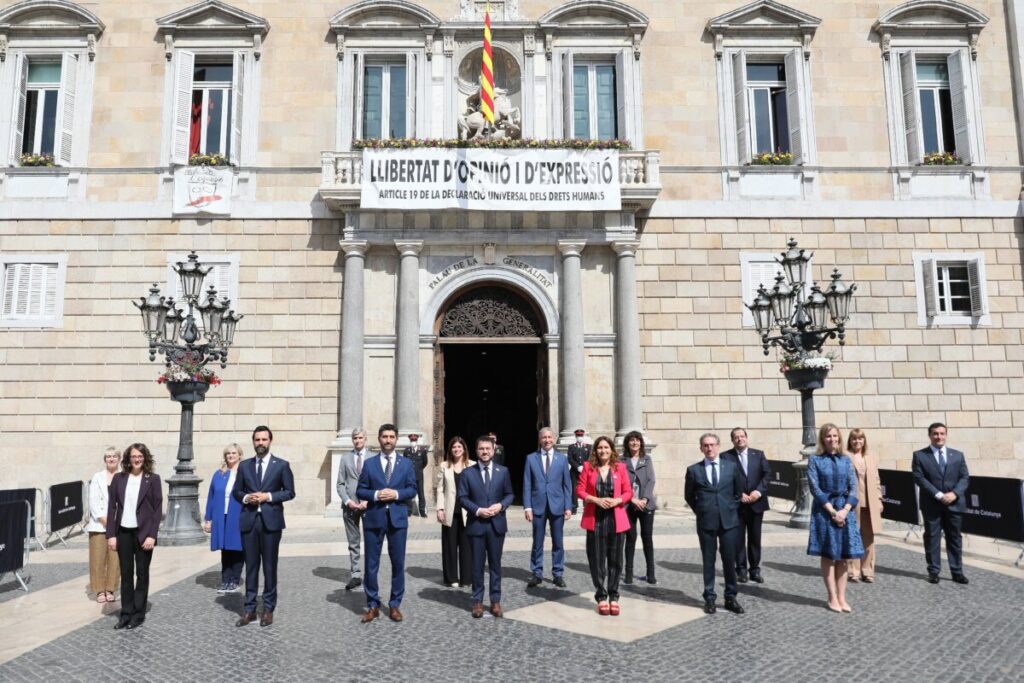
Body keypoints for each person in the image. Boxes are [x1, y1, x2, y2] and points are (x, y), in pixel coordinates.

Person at [234, 425, 296, 628]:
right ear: (253, 442)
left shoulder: (281, 465)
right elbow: (237, 491)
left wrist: (268, 496)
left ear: (270, 441)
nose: (260, 443)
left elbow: (289, 492)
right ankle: (250, 609)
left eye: (264, 440)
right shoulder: (244, 466)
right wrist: (246, 498)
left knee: (270, 567)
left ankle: (268, 609)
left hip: (271, 522)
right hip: (249, 521)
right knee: (251, 567)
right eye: (257, 440)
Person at [358, 423, 417, 623]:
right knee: (371, 565)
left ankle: (394, 605)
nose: (388, 440)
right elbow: (360, 490)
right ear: (379, 439)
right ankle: (373, 604)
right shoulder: (369, 464)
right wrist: (376, 494)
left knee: (398, 564)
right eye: (385, 436)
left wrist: (396, 494)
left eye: (392, 436)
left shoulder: (406, 464)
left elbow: (412, 489)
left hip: (397, 520)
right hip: (374, 519)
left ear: (396, 439)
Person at [807, 423, 865, 613]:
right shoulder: (815, 460)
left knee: (844, 556)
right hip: (824, 511)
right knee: (829, 555)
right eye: (828, 436)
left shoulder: (846, 460)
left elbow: (853, 487)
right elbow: (815, 488)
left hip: (845, 510)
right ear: (822, 439)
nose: (832, 439)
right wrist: (832, 511)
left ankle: (842, 596)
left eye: (835, 436)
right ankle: (831, 596)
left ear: (839, 438)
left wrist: (845, 510)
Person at [105, 443, 162, 630]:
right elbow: (112, 507)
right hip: (123, 532)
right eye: (133, 456)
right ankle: (126, 613)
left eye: (140, 456)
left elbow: (157, 510)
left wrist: (152, 536)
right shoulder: (119, 479)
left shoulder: (152, 479)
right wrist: (111, 535)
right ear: (128, 459)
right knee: (126, 574)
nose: (136, 459)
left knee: (142, 574)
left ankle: (138, 614)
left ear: (145, 458)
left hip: (144, 533)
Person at [685, 433, 743, 615]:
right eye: (705, 445)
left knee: (729, 560)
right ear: (701, 448)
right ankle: (709, 597)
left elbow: (738, 492)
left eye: (712, 445)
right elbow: (689, 496)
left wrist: (729, 509)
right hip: (706, 522)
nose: (709, 448)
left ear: (718, 446)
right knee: (708, 561)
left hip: (729, 522)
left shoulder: (731, 467)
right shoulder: (694, 470)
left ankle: (730, 597)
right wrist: (702, 510)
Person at [458, 436, 514, 618]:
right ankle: (477, 601)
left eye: (487, 449)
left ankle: (495, 600)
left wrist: (501, 506)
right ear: (476, 451)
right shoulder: (468, 473)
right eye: (481, 449)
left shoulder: (503, 471)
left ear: (493, 449)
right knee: (476, 565)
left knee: (496, 565)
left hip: (497, 525)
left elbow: (509, 494)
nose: (484, 452)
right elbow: (463, 498)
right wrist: (478, 510)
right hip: (476, 525)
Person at [578, 436, 632, 615]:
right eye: (600, 448)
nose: (603, 451)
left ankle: (614, 596)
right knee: (597, 560)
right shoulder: (588, 467)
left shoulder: (620, 467)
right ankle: (601, 596)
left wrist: (618, 500)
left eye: (606, 447)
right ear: (595, 450)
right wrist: (596, 500)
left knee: (616, 560)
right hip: (596, 519)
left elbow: (628, 492)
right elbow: (580, 490)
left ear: (612, 450)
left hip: (616, 519)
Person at [911, 422, 970, 585]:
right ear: (929, 435)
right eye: (935, 434)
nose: (939, 437)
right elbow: (919, 478)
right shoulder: (919, 455)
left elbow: (965, 477)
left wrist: (954, 493)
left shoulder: (957, 455)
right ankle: (934, 571)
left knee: (955, 538)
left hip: (954, 503)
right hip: (932, 504)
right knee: (932, 538)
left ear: (946, 435)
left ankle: (957, 571)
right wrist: (938, 494)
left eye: (942, 433)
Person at [523, 427, 573, 588]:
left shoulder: (562, 459)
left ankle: (558, 573)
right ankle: (536, 572)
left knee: (558, 541)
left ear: (554, 438)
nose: (547, 440)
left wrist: (568, 506)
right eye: (543, 437)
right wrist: (527, 507)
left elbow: (567, 485)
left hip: (557, 505)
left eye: (549, 437)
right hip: (537, 506)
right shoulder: (531, 459)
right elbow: (527, 484)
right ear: (539, 440)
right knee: (537, 541)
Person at [719, 427, 771, 584]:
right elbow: (724, 479)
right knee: (738, 539)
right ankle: (741, 570)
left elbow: (767, 475)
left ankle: (754, 570)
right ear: (732, 440)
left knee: (755, 538)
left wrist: (758, 492)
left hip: (757, 503)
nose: (740, 439)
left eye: (742, 436)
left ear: (746, 438)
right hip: (737, 504)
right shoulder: (725, 457)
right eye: (736, 437)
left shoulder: (759, 454)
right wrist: (738, 494)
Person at [203, 443, 244, 593]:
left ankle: (235, 579)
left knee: (237, 548)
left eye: (234, 453)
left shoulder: (244, 472)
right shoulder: (219, 474)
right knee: (225, 549)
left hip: (238, 515)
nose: (231, 456)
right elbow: (211, 497)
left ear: (239, 455)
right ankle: (225, 580)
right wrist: (208, 519)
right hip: (221, 516)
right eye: (228, 453)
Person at [435, 436, 474, 587]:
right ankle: (451, 578)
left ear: (464, 448)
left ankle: (467, 578)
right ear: (450, 450)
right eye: (454, 447)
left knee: (467, 546)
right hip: (450, 510)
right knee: (449, 545)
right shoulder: (445, 466)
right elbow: (440, 489)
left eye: (459, 447)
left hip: (467, 511)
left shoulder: (472, 465)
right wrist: (439, 508)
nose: (456, 449)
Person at [337, 428, 371, 591]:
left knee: (371, 541)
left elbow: (377, 482)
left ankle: (370, 574)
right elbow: (340, 483)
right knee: (353, 542)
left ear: (365, 439)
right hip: (350, 506)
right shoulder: (345, 458)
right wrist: (347, 500)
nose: (357, 441)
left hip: (369, 506)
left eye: (360, 438)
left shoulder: (373, 457)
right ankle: (356, 574)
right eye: (355, 438)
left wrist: (367, 500)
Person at [847, 429, 883, 583]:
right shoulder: (845, 456)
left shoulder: (870, 457)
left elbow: (876, 480)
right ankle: (852, 570)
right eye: (854, 439)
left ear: (864, 440)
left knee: (868, 537)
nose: (857, 442)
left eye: (860, 439)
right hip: (853, 501)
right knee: (852, 536)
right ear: (850, 441)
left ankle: (867, 570)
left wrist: (879, 499)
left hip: (870, 502)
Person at [622, 430, 657, 585]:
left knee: (647, 538)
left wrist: (644, 498)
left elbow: (651, 480)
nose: (635, 443)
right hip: (629, 505)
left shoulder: (646, 459)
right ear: (627, 443)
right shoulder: (622, 461)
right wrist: (633, 499)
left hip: (645, 504)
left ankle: (651, 573)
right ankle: (628, 573)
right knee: (630, 538)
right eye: (631, 440)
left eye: (637, 440)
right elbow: (622, 484)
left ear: (641, 443)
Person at [87, 447, 120, 604]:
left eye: (114, 456)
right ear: (104, 459)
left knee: (115, 558)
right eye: (108, 456)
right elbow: (93, 501)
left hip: (119, 524)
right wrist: (105, 521)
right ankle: (99, 590)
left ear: (119, 458)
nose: (111, 459)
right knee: (98, 558)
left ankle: (110, 589)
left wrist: (115, 523)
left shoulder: (124, 476)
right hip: (99, 525)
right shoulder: (97, 477)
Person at [403, 433, 429, 518]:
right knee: (409, 493)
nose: (413, 442)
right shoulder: (406, 451)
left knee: (421, 494)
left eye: (414, 440)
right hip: (409, 476)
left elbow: (425, 462)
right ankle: (408, 511)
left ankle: (422, 512)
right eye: (411, 441)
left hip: (419, 476)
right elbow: (405, 462)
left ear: (417, 441)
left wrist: (419, 469)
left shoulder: (422, 451)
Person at [567, 428, 590, 514]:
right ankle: (574, 507)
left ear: (583, 436)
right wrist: (577, 467)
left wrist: (584, 467)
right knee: (574, 489)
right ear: (575, 436)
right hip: (574, 472)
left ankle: (586, 506)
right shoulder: (571, 447)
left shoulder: (588, 447)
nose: (579, 437)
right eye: (578, 436)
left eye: (581, 435)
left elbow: (590, 458)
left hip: (585, 471)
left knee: (586, 489)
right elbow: (570, 458)